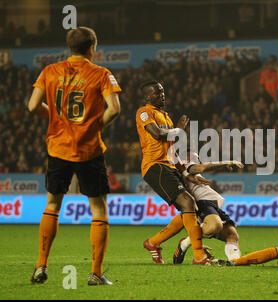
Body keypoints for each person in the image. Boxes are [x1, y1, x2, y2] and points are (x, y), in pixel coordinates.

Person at [28, 27, 122, 285]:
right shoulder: (101, 74)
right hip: (88, 149)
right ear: (92, 47)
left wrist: (58, 119)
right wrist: (95, 125)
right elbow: (114, 109)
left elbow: (32, 105)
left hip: (58, 147)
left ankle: (40, 267)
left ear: (70, 47)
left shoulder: (49, 71)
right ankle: (95, 273)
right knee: (98, 208)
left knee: (52, 206)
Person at [136, 80, 218, 265]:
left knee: (190, 208)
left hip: (170, 165)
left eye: (163, 91)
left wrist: (185, 171)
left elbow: (171, 149)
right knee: (187, 202)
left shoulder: (165, 117)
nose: (162, 95)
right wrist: (179, 130)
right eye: (158, 92)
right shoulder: (144, 112)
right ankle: (198, 256)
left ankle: (153, 242)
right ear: (148, 96)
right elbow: (156, 134)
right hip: (154, 165)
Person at [173, 152, 244, 264]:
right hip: (203, 203)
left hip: (212, 205)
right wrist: (228, 162)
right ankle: (186, 242)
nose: (197, 158)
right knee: (215, 226)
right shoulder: (187, 167)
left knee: (232, 234)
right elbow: (202, 167)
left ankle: (234, 262)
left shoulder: (190, 174)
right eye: (193, 156)